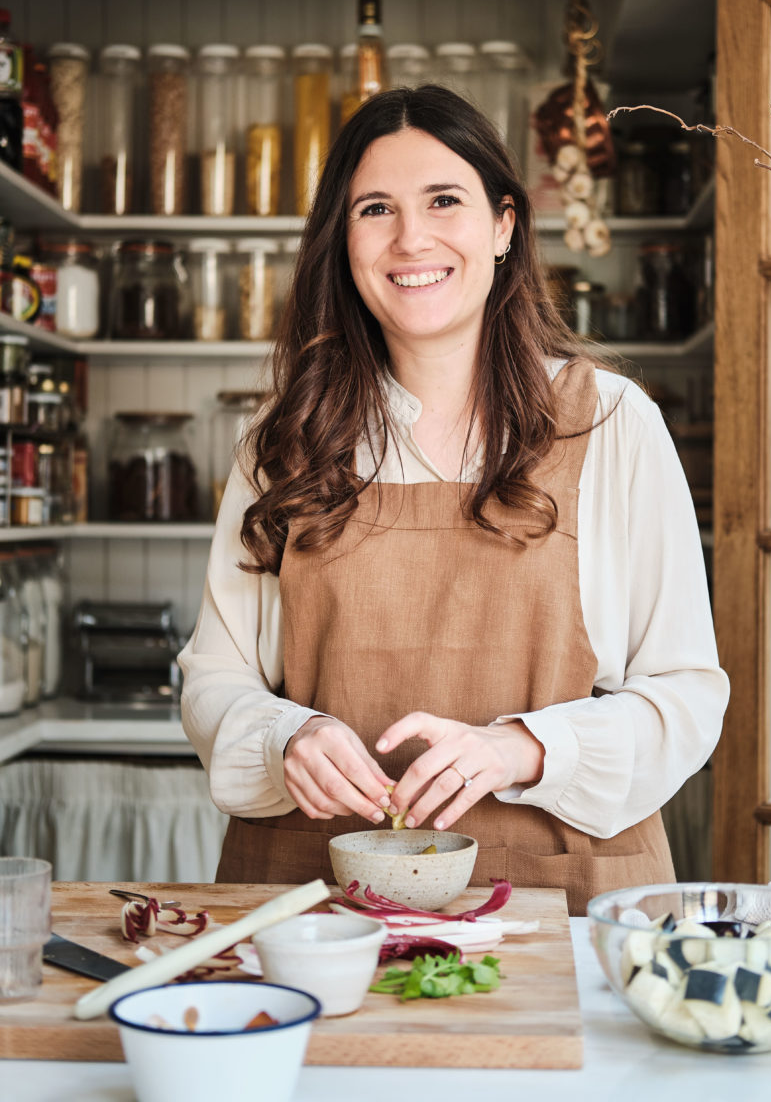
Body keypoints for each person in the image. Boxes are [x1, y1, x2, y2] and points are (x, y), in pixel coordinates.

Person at [179, 84, 728, 912]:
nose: (411, 238)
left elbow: (686, 695)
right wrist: (287, 734)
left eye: (444, 200)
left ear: (504, 225)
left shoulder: (611, 424)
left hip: (564, 899)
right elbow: (212, 681)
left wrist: (524, 749)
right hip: (316, 905)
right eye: (375, 209)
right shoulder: (283, 439)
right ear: (343, 239)